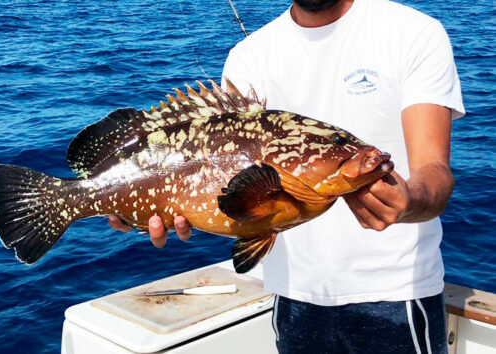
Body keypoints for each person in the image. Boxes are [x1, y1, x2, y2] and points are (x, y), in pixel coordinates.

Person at [110, 0, 464, 352]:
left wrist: (410, 201)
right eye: (339, 143)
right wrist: (139, 208)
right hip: (292, 297)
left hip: (397, 296)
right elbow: (230, 194)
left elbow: (434, 170)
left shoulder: (413, 32)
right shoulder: (248, 55)